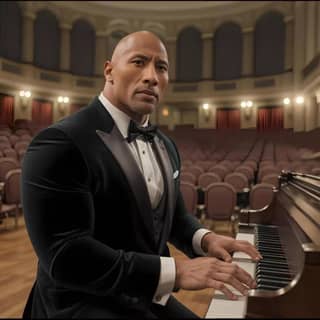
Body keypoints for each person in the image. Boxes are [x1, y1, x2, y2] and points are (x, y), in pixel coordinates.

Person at [22, 30, 262, 318]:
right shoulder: (60, 142)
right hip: (80, 302)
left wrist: (206, 239)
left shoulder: (165, 145)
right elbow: (66, 255)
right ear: (109, 71)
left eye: (161, 67)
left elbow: (172, 218)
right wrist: (178, 270)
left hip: (143, 294)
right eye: (138, 62)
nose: (151, 76)